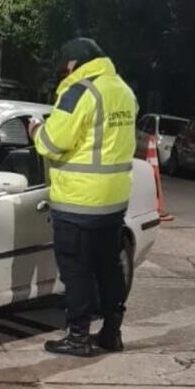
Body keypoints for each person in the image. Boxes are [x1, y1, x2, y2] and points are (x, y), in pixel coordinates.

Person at [28, 38, 138, 357]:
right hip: (114, 199)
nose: (65, 74)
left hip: (78, 200)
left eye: (66, 68)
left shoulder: (78, 91)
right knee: (108, 268)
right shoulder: (123, 91)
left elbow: (51, 142)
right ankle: (111, 333)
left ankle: (78, 337)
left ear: (74, 64)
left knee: (76, 270)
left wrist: (35, 129)